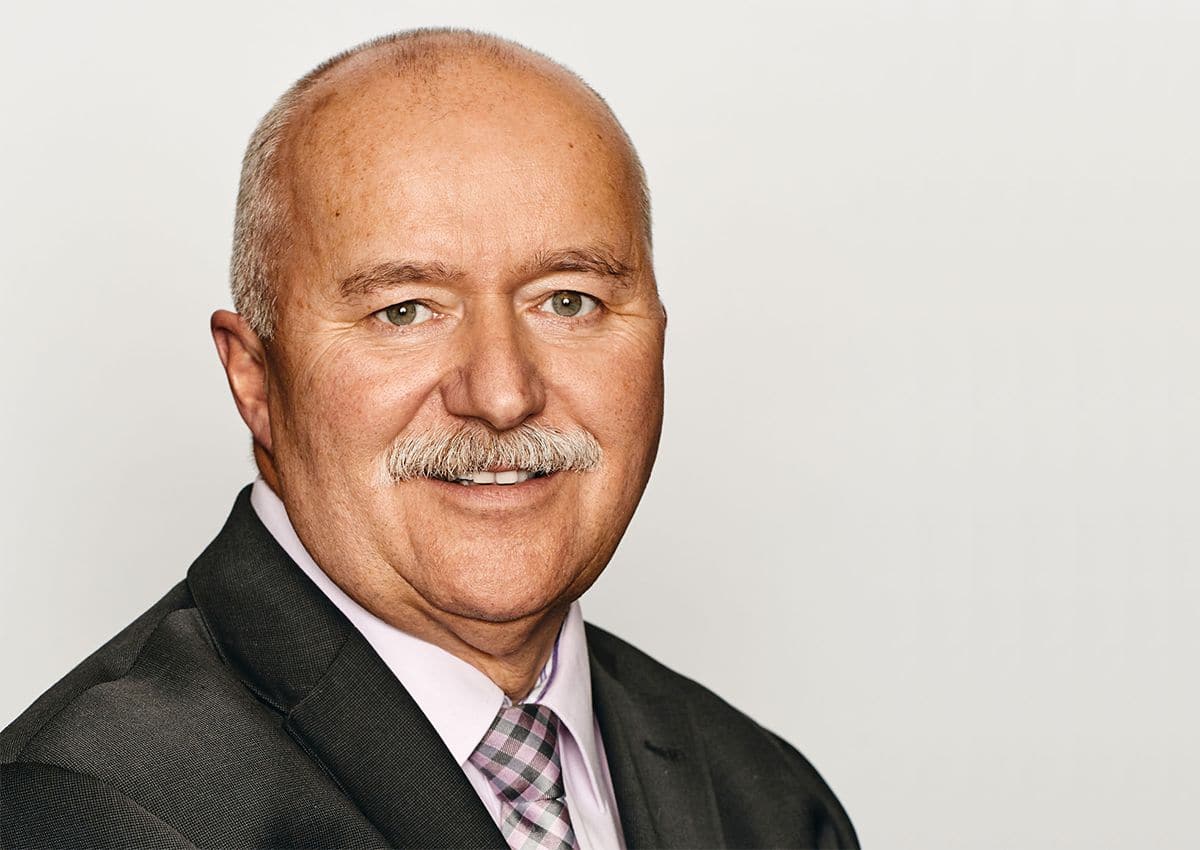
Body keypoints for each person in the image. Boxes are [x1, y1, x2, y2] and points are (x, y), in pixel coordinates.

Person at [1, 29, 857, 849]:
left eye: (568, 300)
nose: (503, 395)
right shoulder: (89, 812)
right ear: (255, 378)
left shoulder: (767, 803)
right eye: (403, 310)